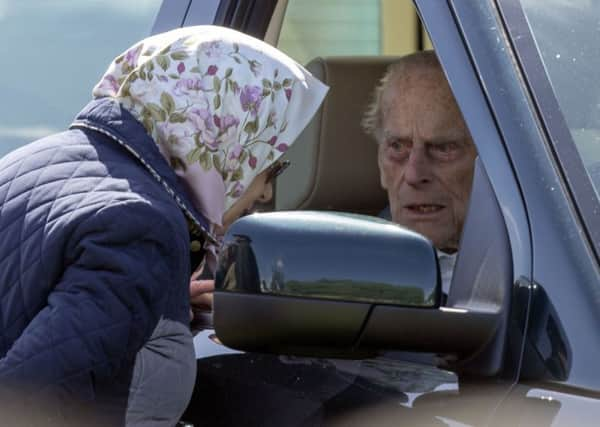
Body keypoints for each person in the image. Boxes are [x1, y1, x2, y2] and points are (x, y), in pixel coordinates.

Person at [0, 26, 327, 426]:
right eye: (271, 165)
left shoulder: (28, 163)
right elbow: (28, 402)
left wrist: (150, 292)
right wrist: (141, 267)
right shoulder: (143, 228)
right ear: (223, 138)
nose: (263, 192)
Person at [362, 51, 477, 295]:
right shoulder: (353, 275)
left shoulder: (544, 259)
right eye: (397, 147)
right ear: (381, 164)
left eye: (443, 148)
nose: (414, 174)